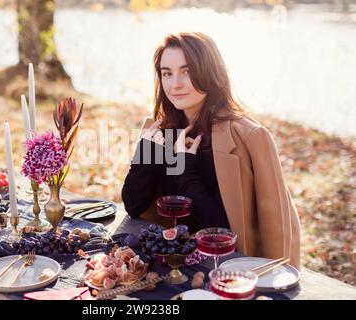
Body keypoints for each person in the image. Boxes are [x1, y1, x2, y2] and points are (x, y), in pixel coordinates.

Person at [121, 32, 301, 268]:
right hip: (171, 263)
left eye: (187, 71)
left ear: (210, 71)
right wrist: (146, 152)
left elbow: (260, 229)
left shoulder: (251, 137)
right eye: (167, 73)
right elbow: (133, 205)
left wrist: (185, 171)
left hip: (229, 269)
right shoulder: (161, 131)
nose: (175, 83)